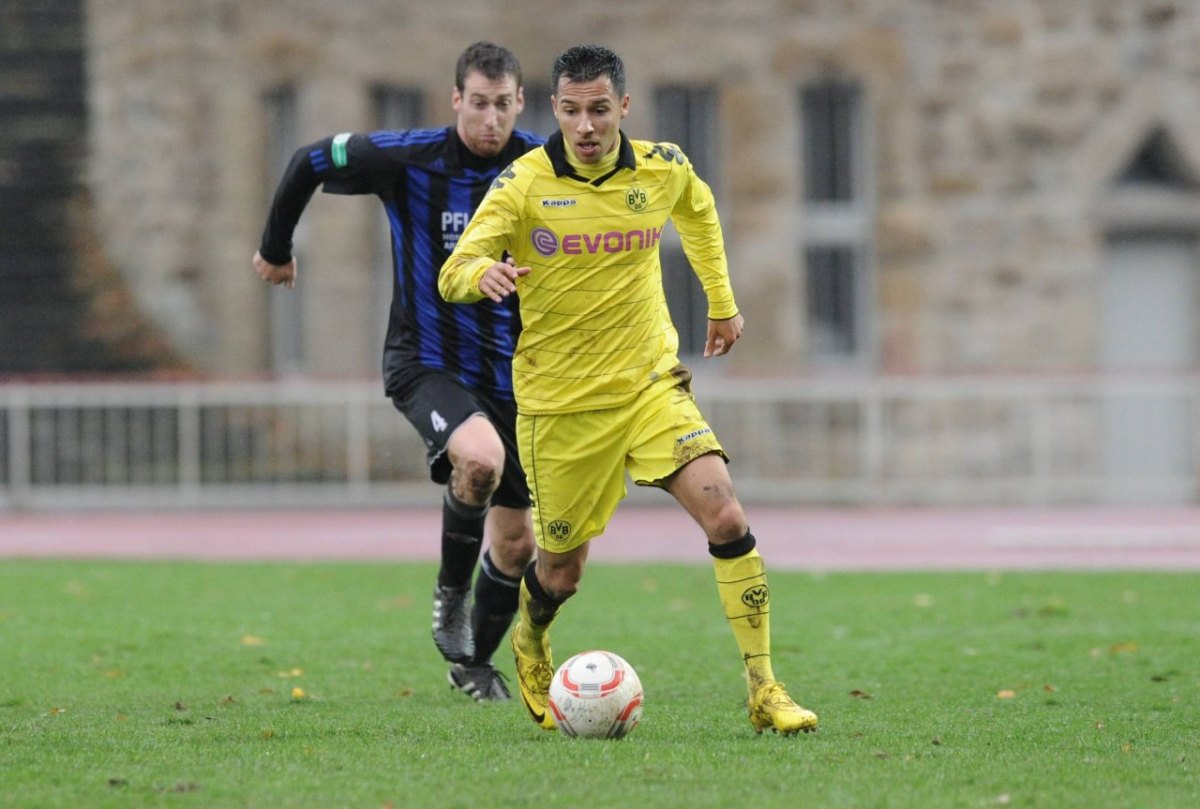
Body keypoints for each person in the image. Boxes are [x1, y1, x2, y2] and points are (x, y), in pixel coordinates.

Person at [439, 44, 819, 734]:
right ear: (554, 109)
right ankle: (529, 637)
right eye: (573, 111)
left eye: (600, 110)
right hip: (561, 407)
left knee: (726, 514)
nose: (586, 126)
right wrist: (480, 277)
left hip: (649, 387)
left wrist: (723, 303)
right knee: (560, 572)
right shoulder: (524, 183)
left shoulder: (662, 167)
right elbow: (455, 267)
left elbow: (699, 213)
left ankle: (765, 688)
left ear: (624, 108)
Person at [253, 42, 543, 702]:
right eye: (478, 104)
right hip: (427, 360)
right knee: (478, 459)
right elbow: (309, 159)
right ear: (455, 100)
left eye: (502, 105)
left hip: (514, 376)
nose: (490, 119)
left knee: (519, 542)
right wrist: (276, 249)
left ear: (520, 103)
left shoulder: (541, 167)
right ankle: (449, 596)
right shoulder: (410, 157)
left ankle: (471, 660)